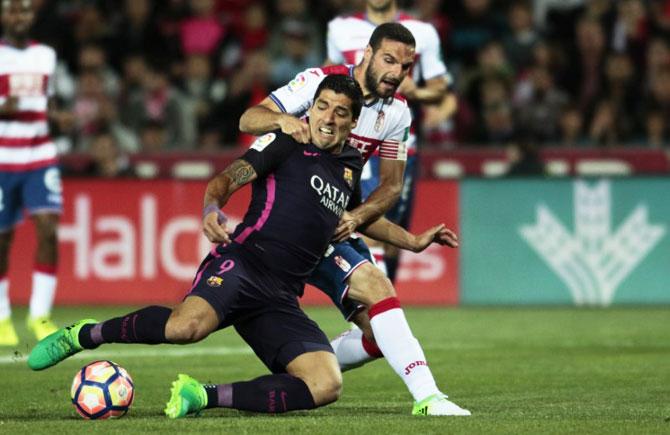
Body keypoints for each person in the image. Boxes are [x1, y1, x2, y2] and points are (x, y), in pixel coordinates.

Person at [27, 75, 456, 417]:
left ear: (351, 122)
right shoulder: (288, 140)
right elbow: (227, 177)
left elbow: (364, 218)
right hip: (244, 263)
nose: (327, 117)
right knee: (185, 328)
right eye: (321, 106)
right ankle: (85, 334)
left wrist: (414, 241)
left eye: (339, 112)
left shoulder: (348, 167)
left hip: (282, 296)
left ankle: (204, 396)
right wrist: (212, 207)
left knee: (326, 385)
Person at [239, 22, 469, 416]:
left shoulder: (397, 114)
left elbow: (393, 186)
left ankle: (309, 369)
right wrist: (283, 120)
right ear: (366, 53)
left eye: (406, 66)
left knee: (380, 336)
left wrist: (358, 215)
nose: (397, 72)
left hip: (333, 219)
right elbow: (249, 119)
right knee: (378, 286)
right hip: (287, 220)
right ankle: (429, 398)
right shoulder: (318, 83)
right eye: (389, 60)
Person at [326, 0, 456, 284]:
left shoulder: (423, 32)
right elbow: (331, 81)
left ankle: (380, 313)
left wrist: (417, 93)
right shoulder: (340, 28)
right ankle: (374, 318)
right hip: (358, 142)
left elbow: (440, 90)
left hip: (400, 143)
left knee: (392, 237)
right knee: (367, 223)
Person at [0, 0, 62, 345]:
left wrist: (59, 118)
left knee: (49, 231)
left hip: (40, 155)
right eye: (11, 10)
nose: (18, 17)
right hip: (2, 159)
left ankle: (40, 316)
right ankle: (2, 318)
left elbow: (48, 103)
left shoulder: (45, 56)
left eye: (23, 10)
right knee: (1, 241)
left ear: (31, 15)